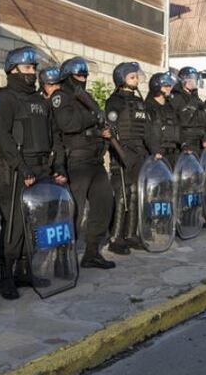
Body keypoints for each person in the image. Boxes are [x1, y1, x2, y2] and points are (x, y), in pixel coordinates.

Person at [0, 46, 68, 299]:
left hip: (42, 167)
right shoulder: (4, 97)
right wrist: (22, 167)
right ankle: (6, 276)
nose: (32, 73)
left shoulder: (39, 101)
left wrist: (57, 167)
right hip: (16, 169)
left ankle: (25, 270)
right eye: (27, 68)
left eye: (34, 68)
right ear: (12, 70)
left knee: (35, 222)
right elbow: (3, 136)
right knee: (14, 224)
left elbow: (54, 134)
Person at [51, 57, 115, 269]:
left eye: (86, 75)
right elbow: (68, 124)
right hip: (76, 161)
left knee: (104, 205)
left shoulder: (85, 97)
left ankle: (92, 252)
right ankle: (62, 258)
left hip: (95, 160)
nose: (84, 79)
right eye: (79, 75)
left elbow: (96, 121)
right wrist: (94, 117)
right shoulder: (61, 97)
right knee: (74, 212)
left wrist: (102, 131)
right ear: (68, 77)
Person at [105, 62, 155, 255]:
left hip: (139, 154)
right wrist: (118, 153)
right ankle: (116, 237)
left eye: (136, 76)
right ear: (122, 79)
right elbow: (111, 129)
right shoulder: (114, 101)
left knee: (134, 195)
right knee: (121, 196)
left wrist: (153, 152)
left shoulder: (140, 102)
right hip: (122, 154)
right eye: (132, 76)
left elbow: (147, 131)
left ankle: (131, 234)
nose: (136, 79)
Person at [144, 72, 181, 168]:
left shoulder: (171, 108)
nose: (169, 88)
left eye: (170, 86)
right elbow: (147, 131)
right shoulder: (148, 107)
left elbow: (178, 128)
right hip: (157, 155)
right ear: (156, 87)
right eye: (166, 86)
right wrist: (155, 150)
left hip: (174, 155)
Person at [169, 66, 206, 155]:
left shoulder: (197, 99)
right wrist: (183, 143)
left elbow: (204, 121)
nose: (193, 82)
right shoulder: (176, 98)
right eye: (190, 79)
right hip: (185, 141)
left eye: (194, 79)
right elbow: (176, 121)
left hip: (199, 140)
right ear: (183, 81)